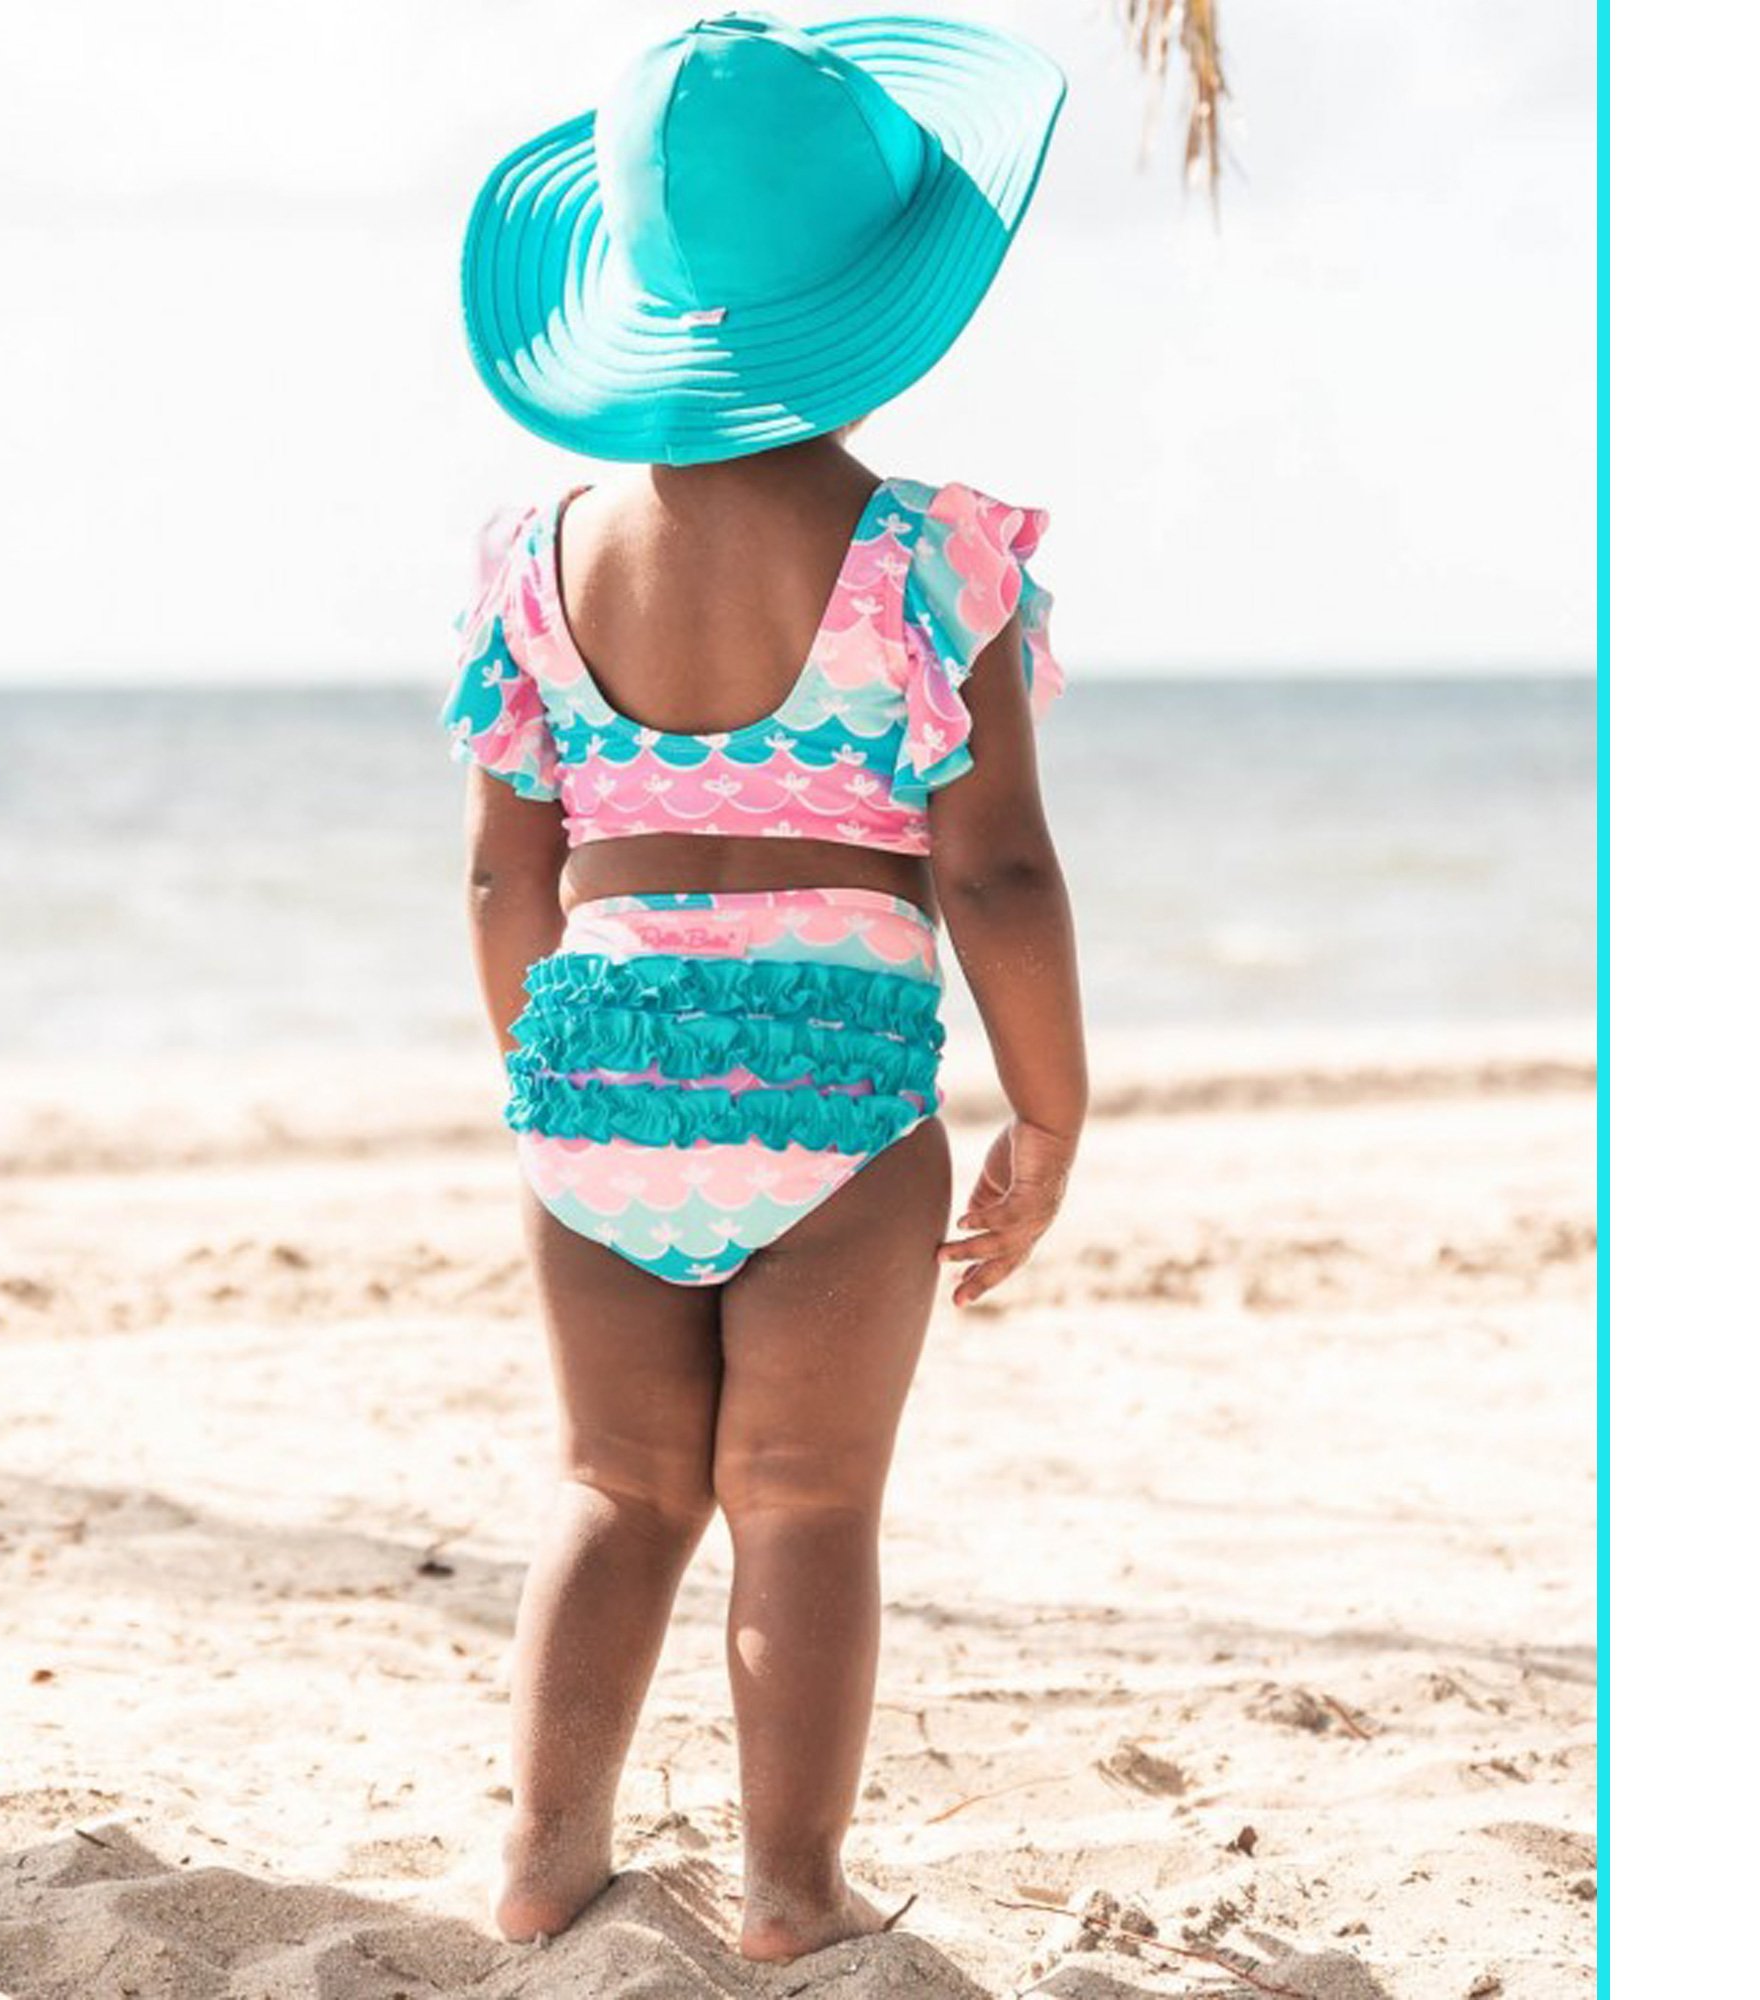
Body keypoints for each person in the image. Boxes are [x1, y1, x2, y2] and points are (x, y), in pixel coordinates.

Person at [440, 10, 1087, 1964]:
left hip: (596, 1060)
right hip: (833, 1081)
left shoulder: (537, 554)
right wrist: (1049, 1109)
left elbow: (503, 870)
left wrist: (552, 1078)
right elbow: (997, 867)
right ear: (877, 296)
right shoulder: (931, 558)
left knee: (614, 1483)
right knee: (802, 1499)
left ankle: (545, 1862)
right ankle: (794, 1893)